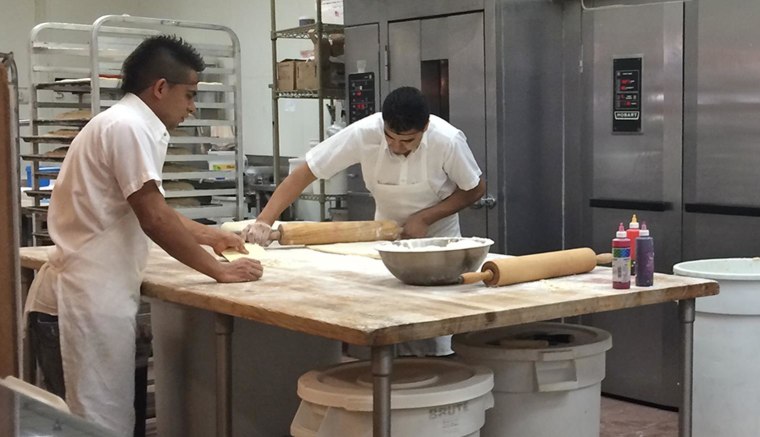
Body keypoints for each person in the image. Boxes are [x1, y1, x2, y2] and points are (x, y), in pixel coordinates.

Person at [24, 35, 262, 436]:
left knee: (103, 422)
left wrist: (208, 235)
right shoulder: (128, 127)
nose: (191, 107)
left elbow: (144, 208)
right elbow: (153, 218)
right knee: (96, 426)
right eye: (189, 95)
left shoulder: (127, 123)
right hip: (83, 301)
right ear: (160, 88)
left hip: (92, 295)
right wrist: (217, 271)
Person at [244, 86, 485, 356]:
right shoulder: (364, 133)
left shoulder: (447, 140)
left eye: (407, 141)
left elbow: (474, 188)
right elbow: (306, 173)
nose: (396, 146)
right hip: (385, 236)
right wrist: (264, 220)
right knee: (388, 316)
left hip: (437, 240)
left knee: (431, 327)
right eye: (390, 137)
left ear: (425, 128)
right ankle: (385, 375)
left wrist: (425, 218)